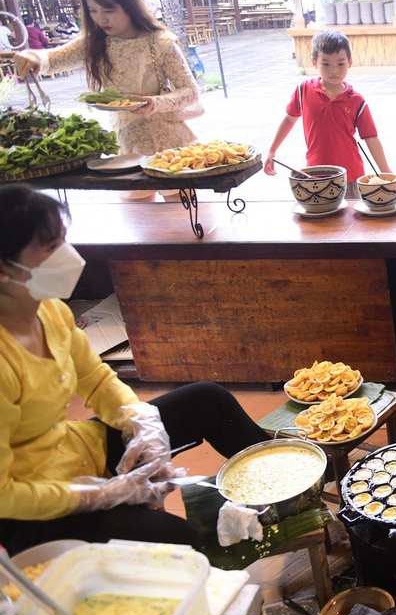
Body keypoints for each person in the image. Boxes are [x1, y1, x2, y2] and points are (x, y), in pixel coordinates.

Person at [0, 186, 272, 555]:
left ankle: (290, 485)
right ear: (5, 269)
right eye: (50, 248)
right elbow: (5, 495)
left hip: (79, 451)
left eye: (64, 241)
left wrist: (141, 423)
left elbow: (96, 381)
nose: (67, 256)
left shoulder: (51, 312)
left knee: (209, 400)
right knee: (180, 542)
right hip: (36, 509)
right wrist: (103, 494)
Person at [14, 0, 201, 159]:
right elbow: (53, 59)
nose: (101, 19)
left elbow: (190, 91)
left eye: (108, 10)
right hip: (127, 139)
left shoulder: (160, 41)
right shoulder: (94, 42)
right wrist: (34, 57)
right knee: (133, 187)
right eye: (93, 11)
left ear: (129, 4)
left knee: (173, 189)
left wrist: (156, 103)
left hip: (167, 138)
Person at [264, 30, 391, 195]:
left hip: (350, 175)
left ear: (350, 62)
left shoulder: (356, 100)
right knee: (321, 219)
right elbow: (289, 119)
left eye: (340, 64)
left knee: (351, 218)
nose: (334, 71)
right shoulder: (303, 91)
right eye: (326, 64)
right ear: (314, 62)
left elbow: (371, 137)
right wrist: (272, 150)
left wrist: (386, 171)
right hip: (315, 174)